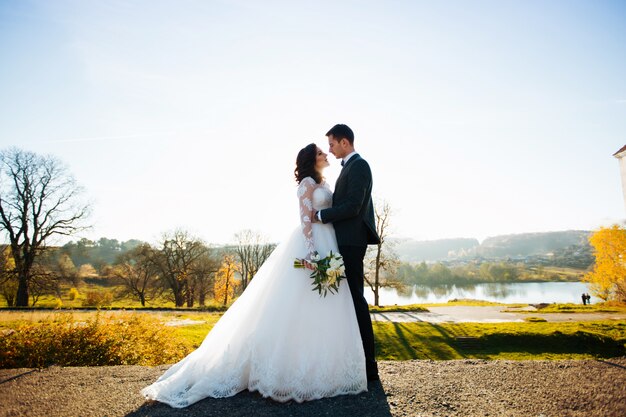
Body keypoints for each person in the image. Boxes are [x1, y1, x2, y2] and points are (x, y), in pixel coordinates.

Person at [141, 143, 367, 408]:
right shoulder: (306, 184)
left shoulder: (326, 182)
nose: (326, 154)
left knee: (328, 306)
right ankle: (287, 372)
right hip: (314, 245)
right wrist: (312, 255)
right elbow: (306, 221)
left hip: (331, 243)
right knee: (299, 306)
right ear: (310, 160)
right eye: (320, 152)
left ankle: (329, 370)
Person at [315, 124, 381, 381]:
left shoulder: (360, 166)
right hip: (341, 241)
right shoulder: (350, 167)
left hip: (352, 243)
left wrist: (321, 215)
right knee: (344, 301)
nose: (330, 150)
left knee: (356, 301)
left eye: (331, 144)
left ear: (345, 142)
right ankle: (349, 361)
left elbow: (353, 206)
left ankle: (368, 366)